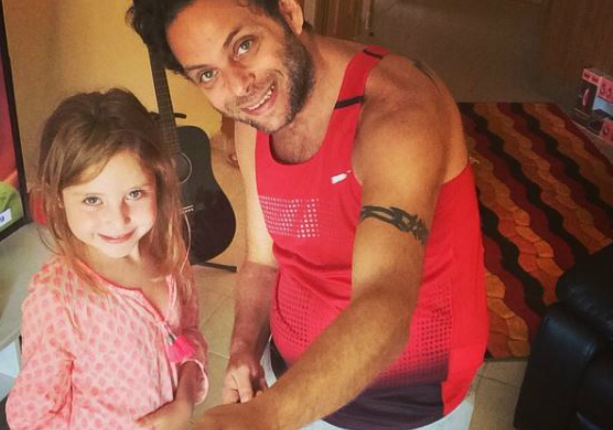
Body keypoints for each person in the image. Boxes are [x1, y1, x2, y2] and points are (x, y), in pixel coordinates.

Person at [128, 1, 487, 429]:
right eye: (207, 74)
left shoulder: (400, 111)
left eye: (244, 45)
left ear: (289, 12)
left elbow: (386, 300)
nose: (239, 86)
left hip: (401, 404)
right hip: (286, 379)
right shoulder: (254, 123)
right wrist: (244, 347)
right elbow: (262, 260)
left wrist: (267, 416)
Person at [5, 89, 208, 430]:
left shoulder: (169, 258)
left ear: (158, 183)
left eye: (135, 193)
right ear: (57, 197)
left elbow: (188, 337)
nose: (118, 220)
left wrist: (184, 402)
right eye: (92, 200)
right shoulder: (56, 301)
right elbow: (32, 420)